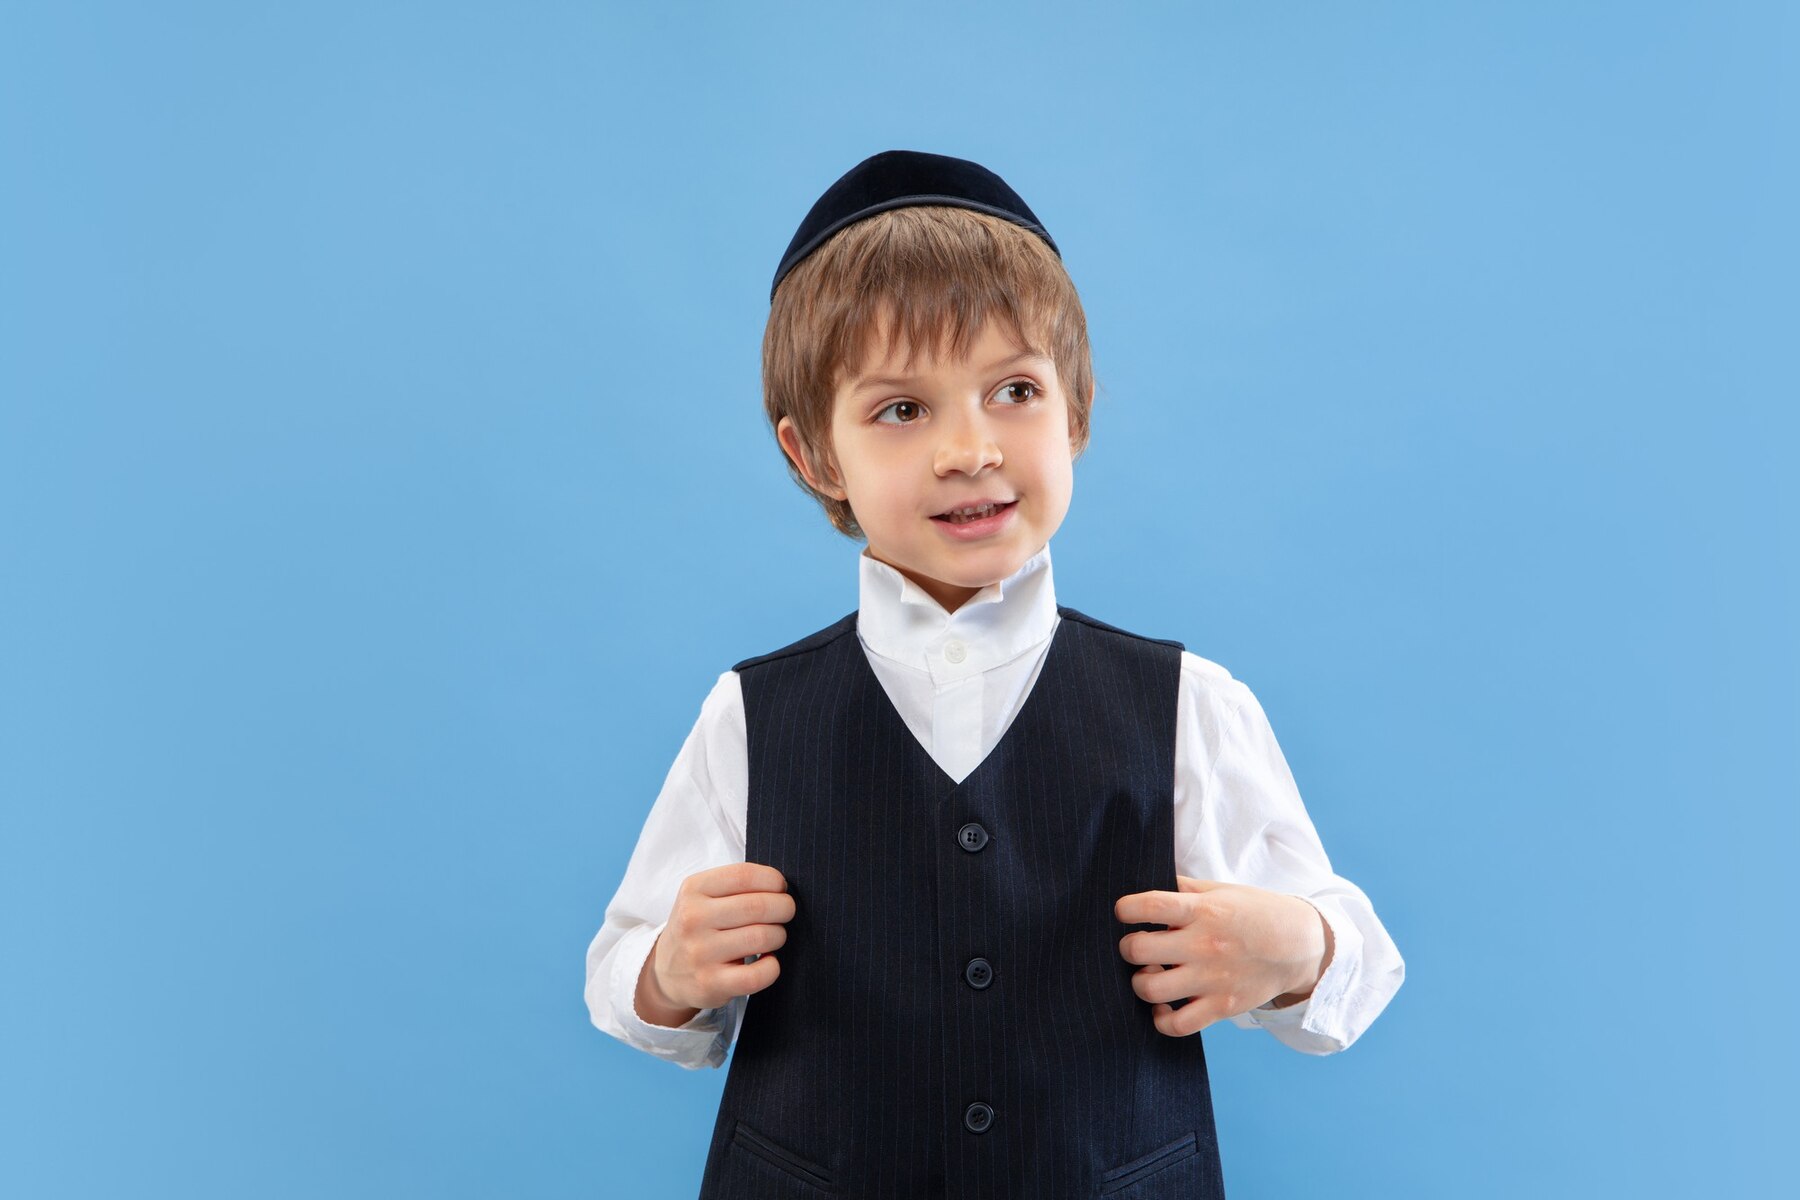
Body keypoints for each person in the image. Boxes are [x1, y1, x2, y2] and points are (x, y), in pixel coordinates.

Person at [585, 149, 1404, 1198]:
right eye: (901, 410)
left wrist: (1295, 946)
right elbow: (628, 983)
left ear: (1079, 409)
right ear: (812, 456)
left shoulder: (1190, 705)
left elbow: (1359, 968)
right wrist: (668, 972)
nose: (969, 450)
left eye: (1013, 390)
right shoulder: (751, 716)